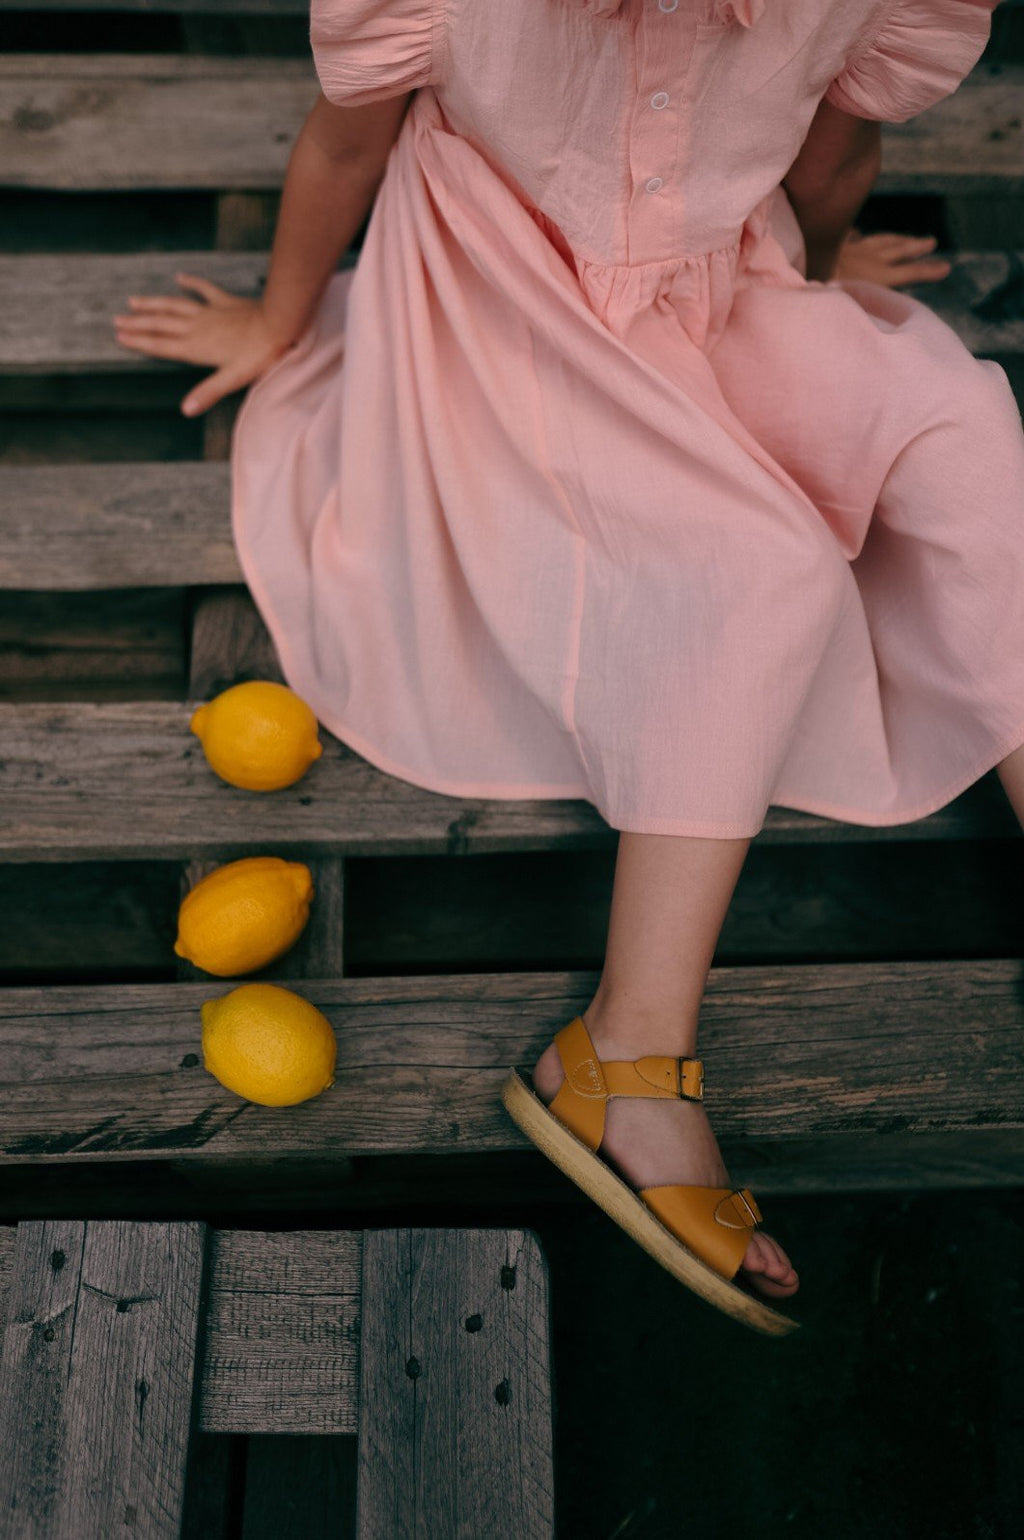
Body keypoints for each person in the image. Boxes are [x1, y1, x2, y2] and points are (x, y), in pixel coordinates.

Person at [112, 0, 1024, 1332]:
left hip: (724, 279)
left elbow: (829, 160)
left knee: (963, 435)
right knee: (755, 570)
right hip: (501, 321)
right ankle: (623, 1055)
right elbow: (346, 148)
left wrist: (814, 285)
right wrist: (282, 319)